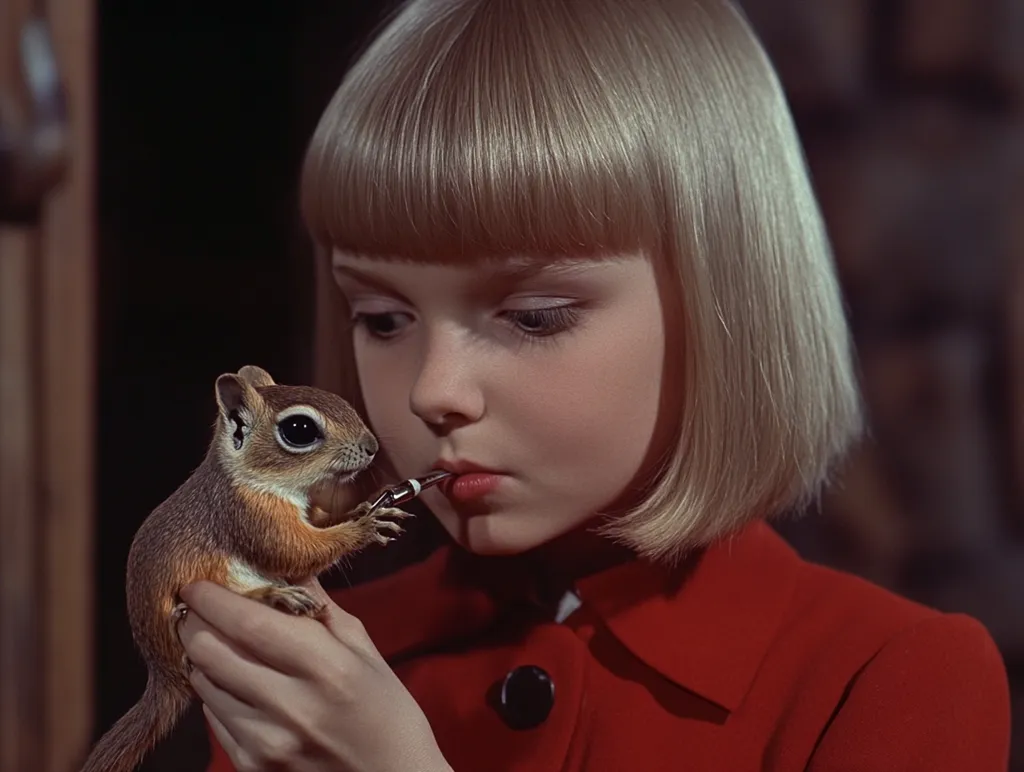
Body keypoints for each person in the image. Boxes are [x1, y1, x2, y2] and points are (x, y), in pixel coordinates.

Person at [176, 0, 1012, 769]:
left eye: (534, 316)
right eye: (384, 319)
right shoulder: (312, 658)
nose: (435, 391)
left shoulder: (886, 677)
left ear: (725, 303)